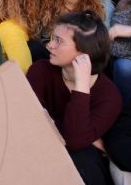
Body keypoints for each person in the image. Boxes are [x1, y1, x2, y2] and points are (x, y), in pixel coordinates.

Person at [27, 11, 121, 185]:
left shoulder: (109, 97)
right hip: (37, 149)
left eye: (59, 41)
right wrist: (87, 137)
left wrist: (82, 88)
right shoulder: (40, 71)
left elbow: (74, 141)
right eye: (52, 38)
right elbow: (29, 122)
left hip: (80, 165)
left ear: (85, 53)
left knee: (82, 158)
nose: (49, 46)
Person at [109, 0, 131, 105]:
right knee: (124, 66)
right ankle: (124, 111)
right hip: (125, 59)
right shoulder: (126, 4)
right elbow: (116, 48)